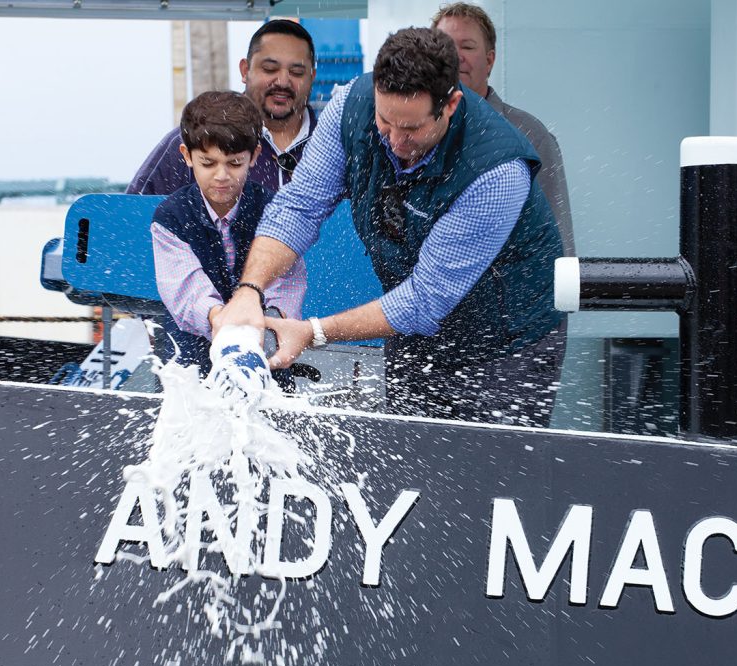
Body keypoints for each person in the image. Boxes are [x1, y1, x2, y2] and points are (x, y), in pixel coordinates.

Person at [213, 28, 567, 428]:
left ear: (450, 104)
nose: (396, 141)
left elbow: (424, 301)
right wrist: (249, 290)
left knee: (491, 475)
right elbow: (300, 206)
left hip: (506, 343)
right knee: (408, 455)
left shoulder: (496, 171)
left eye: (412, 129)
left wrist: (312, 332)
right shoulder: (350, 104)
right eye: (385, 121)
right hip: (414, 329)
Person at [129, 19, 318, 320]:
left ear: (312, 76)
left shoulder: (337, 147)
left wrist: (273, 318)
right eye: (269, 69)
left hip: (303, 331)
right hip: (197, 331)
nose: (282, 81)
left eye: (296, 72)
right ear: (245, 70)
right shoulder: (188, 141)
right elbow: (136, 222)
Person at [149, 90, 281, 377]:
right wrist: (219, 319)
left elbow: (285, 282)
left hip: (263, 344)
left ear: (254, 155)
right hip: (188, 357)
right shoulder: (170, 217)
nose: (221, 175)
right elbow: (186, 291)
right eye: (208, 163)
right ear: (186, 155)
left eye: (234, 163)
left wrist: (269, 319)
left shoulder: (275, 212)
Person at [432, 2, 575, 258]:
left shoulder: (530, 135)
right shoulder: (417, 134)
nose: (456, 56)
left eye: (467, 46)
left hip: (510, 293)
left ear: (490, 60)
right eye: (446, 46)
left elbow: (558, 237)